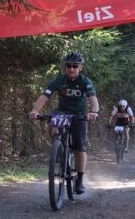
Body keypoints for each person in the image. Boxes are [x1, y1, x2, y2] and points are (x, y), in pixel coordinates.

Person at [29, 50, 99, 195]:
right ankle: (58, 147)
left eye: (75, 66)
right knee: (51, 122)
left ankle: (79, 181)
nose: (71, 69)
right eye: (68, 66)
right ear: (65, 67)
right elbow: (45, 96)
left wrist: (94, 112)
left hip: (79, 115)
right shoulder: (59, 81)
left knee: (80, 148)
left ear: (80, 67)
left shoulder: (85, 82)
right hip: (62, 113)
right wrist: (35, 110)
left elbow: (93, 99)